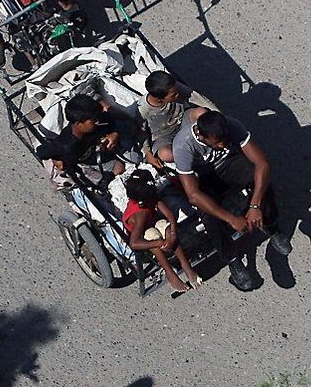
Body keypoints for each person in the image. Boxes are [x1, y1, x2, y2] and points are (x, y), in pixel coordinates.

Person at [172, 109, 292, 291]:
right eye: (218, 142)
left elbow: (262, 163)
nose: (223, 144)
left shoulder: (231, 125)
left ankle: (270, 226)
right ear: (202, 137)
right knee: (208, 215)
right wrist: (230, 218)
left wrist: (255, 204)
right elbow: (193, 194)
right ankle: (233, 260)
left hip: (228, 165)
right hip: (205, 178)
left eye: (225, 139)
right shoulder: (183, 146)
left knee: (258, 177)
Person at [123, 169, 201, 292]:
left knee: (166, 226)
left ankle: (185, 265)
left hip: (152, 221)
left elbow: (169, 215)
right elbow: (134, 243)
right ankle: (169, 272)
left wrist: (172, 236)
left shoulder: (151, 196)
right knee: (152, 235)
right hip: (143, 233)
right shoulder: (140, 213)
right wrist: (161, 243)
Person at [137, 71, 218, 168]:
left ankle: (212, 145)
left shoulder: (174, 88)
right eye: (174, 95)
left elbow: (198, 99)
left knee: (201, 112)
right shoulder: (142, 110)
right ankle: (197, 159)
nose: (178, 95)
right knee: (165, 154)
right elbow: (141, 135)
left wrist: (218, 116)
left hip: (182, 120)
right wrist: (148, 154)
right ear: (160, 100)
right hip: (163, 137)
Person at [36, 94, 127, 179]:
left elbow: (110, 121)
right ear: (79, 123)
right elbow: (41, 152)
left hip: (98, 149)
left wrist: (115, 134)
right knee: (119, 169)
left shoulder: (93, 124)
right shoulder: (65, 145)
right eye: (93, 121)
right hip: (89, 160)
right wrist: (56, 160)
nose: (97, 122)